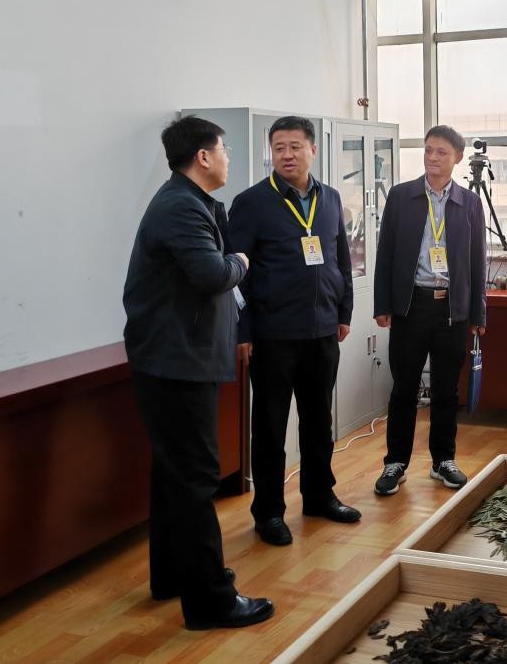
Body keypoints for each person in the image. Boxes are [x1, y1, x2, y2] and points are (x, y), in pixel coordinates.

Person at [122, 116, 274, 631]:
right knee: (195, 477)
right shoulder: (180, 207)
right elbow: (211, 274)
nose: (229, 158)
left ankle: (172, 577)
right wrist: (241, 261)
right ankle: (210, 601)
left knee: (174, 475)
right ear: (203, 157)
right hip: (176, 363)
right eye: (224, 149)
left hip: (176, 359)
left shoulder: (192, 202)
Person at [228, 115, 360, 546]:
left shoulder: (331, 198)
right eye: (279, 148)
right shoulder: (251, 203)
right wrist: (244, 331)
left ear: (313, 150)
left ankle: (319, 497)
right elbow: (236, 276)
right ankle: (268, 512)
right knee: (270, 427)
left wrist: (344, 311)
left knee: (319, 421)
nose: (287, 155)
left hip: (322, 330)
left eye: (295, 146)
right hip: (273, 335)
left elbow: (341, 259)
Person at [372, 125, 487, 496]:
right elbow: (385, 253)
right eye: (428, 150)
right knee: (404, 388)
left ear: (457, 157)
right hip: (411, 306)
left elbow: (478, 261)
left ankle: (443, 460)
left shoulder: (469, 203)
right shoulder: (401, 196)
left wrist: (478, 315)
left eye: (441, 152)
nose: (432, 157)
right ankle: (395, 463)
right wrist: (382, 304)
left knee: (446, 390)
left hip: (452, 308)